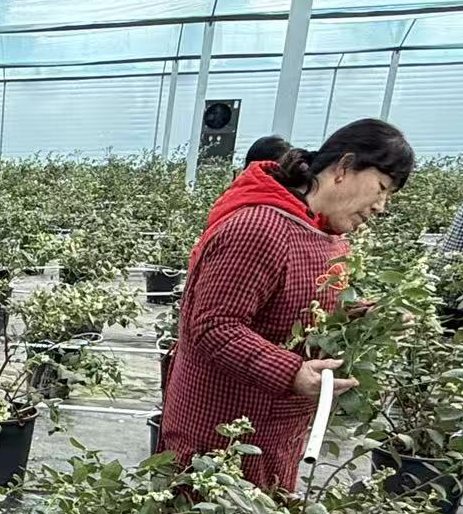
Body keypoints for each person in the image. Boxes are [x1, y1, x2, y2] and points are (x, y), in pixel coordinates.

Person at [162, 118, 415, 494]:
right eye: (381, 188)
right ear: (344, 168)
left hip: (273, 431)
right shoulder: (258, 228)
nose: (381, 206)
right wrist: (292, 372)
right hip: (221, 433)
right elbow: (214, 325)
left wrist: (366, 315)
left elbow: (299, 308)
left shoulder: (326, 237)